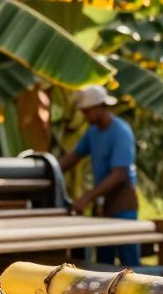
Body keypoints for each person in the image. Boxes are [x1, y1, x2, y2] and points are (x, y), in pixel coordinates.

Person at [60, 85, 141, 266]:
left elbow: (119, 174)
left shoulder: (120, 132)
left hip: (122, 203)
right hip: (102, 205)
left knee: (130, 262)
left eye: (87, 111)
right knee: (104, 263)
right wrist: (51, 170)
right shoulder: (93, 133)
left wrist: (86, 197)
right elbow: (73, 157)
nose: (85, 116)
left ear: (99, 107)